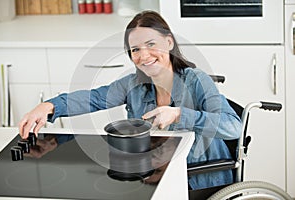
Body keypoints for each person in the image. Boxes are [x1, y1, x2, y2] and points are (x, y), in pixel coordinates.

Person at [18, 10, 242, 190]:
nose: (144, 56)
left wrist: (179, 114)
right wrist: (48, 107)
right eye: (135, 49)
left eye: (151, 44)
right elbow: (94, 98)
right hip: (157, 177)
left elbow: (233, 128)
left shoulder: (197, 81)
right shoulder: (132, 85)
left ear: (169, 42)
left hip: (199, 180)